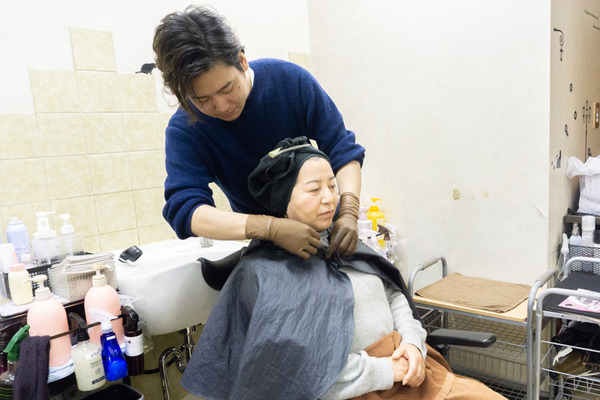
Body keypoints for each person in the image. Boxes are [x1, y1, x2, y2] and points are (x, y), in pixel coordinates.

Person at [180, 137, 507, 400]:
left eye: (333, 185)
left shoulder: (345, 242)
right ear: (283, 200)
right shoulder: (264, 273)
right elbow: (299, 374)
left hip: (411, 374)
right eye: (314, 189)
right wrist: (384, 371)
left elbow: (393, 295)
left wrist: (412, 342)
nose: (329, 198)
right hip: (356, 389)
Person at [153, 5, 365, 259]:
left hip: (330, 237)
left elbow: (341, 147)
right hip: (266, 251)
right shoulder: (186, 128)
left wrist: (349, 211)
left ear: (242, 61)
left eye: (227, 89)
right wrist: (268, 228)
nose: (222, 106)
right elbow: (185, 209)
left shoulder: (289, 81)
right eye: (202, 99)